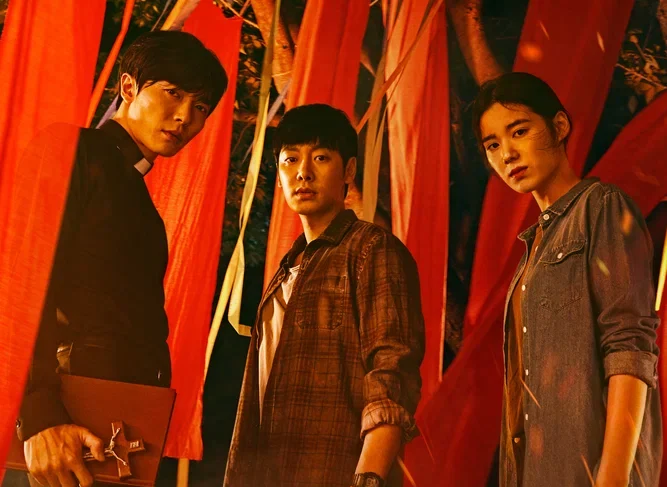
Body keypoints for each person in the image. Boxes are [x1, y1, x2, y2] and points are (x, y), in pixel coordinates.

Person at [16, 30, 227, 487]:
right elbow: (20, 278)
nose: (185, 116)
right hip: (65, 420)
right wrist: (36, 413)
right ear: (128, 87)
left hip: (120, 426)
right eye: (173, 93)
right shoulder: (74, 151)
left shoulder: (137, 196)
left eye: (201, 106)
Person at [472, 72, 662, 486]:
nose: (507, 154)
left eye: (519, 131)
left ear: (559, 126)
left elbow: (629, 348)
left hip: (592, 472)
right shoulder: (532, 249)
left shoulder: (601, 208)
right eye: (492, 145)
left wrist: (612, 476)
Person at [224, 104, 425, 487]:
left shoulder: (371, 248)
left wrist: (369, 478)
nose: (303, 172)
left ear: (348, 170)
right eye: (290, 159)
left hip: (336, 470)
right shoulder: (285, 271)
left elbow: (392, 371)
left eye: (320, 157)